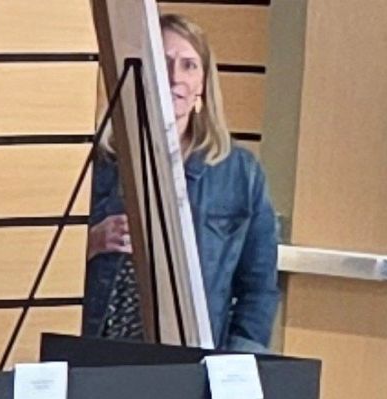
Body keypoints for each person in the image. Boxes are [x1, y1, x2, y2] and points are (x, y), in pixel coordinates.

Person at [83, 14, 279, 352]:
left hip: (191, 357)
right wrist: (91, 243)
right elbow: (43, 258)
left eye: (189, 65)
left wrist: (237, 363)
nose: (174, 76)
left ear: (202, 83)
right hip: (101, 350)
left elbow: (259, 287)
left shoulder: (240, 172)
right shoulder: (98, 160)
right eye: (163, 62)